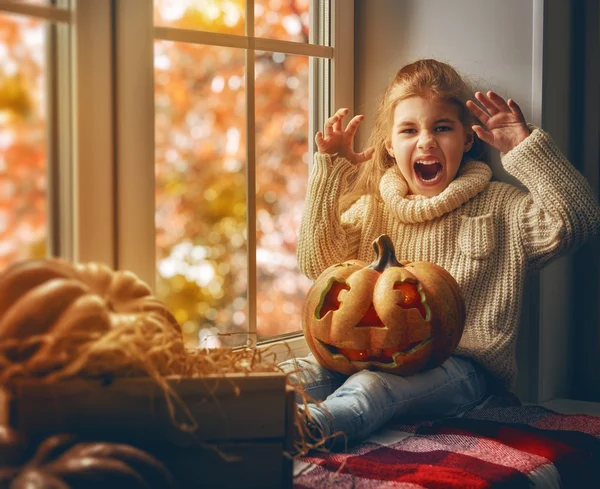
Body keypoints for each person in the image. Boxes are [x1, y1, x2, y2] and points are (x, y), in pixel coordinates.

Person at [279, 58, 600, 452]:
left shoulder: (501, 208)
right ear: (389, 146)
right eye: (409, 130)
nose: (427, 141)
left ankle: (300, 437)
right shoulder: (372, 210)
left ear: (467, 139)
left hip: (464, 370)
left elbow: (578, 219)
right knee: (296, 375)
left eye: (442, 128)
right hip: (368, 355)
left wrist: (523, 148)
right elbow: (319, 266)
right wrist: (329, 170)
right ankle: (217, 421)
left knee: (373, 388)